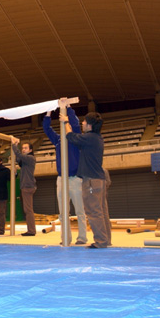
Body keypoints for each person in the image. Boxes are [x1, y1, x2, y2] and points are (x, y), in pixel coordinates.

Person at [61, 112, 110, 249]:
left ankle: (101, 242)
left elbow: (70, 136)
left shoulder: (90, 138)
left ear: (89, 125)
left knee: (93, 212)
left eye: (84, 122)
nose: (82, 124)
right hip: (98, 180)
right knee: (101, 212)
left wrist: (65, 122)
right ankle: (106, 240)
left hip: (91, 181)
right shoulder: (97, 138)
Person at [43, 102, 87, 245]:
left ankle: (82, 237)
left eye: (65, 123)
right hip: (62, 179)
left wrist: (68, 108)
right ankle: (65, 238)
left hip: (75, 179)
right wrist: (49, 113)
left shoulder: (75, 137)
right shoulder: (58, 140)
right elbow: (46, 128)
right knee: (63, 214)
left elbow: (75, 123)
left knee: (80, 211)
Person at [11, 136, 37, 236]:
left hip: (28, 186)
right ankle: (31, 230)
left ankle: (31, 231)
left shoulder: (30, 158)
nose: (23, 149)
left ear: (30, 150)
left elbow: (18, 154)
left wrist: (14, 144)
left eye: (25, 148)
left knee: (28, 209)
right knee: (27, 209)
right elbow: (18, 159)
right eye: (23, 148)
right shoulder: (26, 161)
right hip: (26, 185)